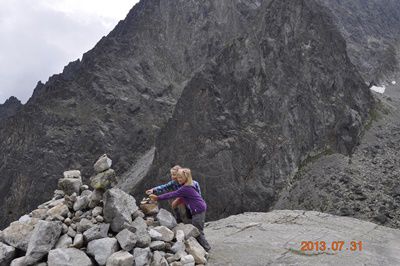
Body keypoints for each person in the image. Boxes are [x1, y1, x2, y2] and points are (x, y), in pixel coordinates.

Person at [149, 168, 211, 251]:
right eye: (178, 177)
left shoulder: (185, 188)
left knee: (198, 230)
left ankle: (206, 248)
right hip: (199, 208)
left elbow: (172, 194)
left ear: (186, 178)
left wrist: (157, 198)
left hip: (198, 210)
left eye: (180, 177)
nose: (178, 179)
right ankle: (202, 246)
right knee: (197, 228)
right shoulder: (189, 185)